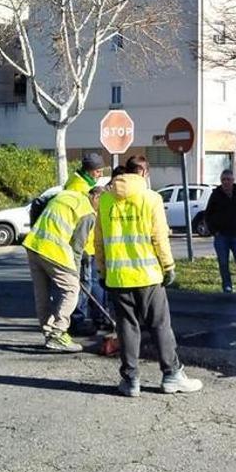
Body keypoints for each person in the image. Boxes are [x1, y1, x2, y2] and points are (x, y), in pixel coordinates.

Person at [94, 154, 203, 398]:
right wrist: (169, 266)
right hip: (149, 276)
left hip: (118, 278)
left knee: (127, 328)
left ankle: (131, 380)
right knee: (160, 326)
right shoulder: (151, 198)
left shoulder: (106, 201)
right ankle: (172, 375)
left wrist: (102, 270)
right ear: (143, 173)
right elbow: (159, 237)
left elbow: (98, 241)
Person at [22, 160, 103, 352]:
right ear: (96, 199)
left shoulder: (66, 194)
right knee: (71, 289)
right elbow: (77, 248)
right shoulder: (87, 212)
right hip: (53, 250)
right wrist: (75, 272)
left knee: (42, 293)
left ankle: (49, 333)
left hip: (33, 245)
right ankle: (58, 332)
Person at [71, 152, 112, 336]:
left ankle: (97, 318)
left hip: (88, 244)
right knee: (84, 284)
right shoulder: (79, 187)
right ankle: (78, 321)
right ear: (90, 170)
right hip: (84, 245)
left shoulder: (82, 183)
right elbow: (83, 218)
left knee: (90, 283)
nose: (100, 175)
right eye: (98, 171)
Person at [203, 169, 236, 295]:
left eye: (228, 179)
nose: (225, 182)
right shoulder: (216, 194)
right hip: (221, 236)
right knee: (223, 263)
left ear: (233, 181)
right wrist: (213, 231)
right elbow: (207, 214)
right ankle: (227, 288)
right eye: (223, 180)